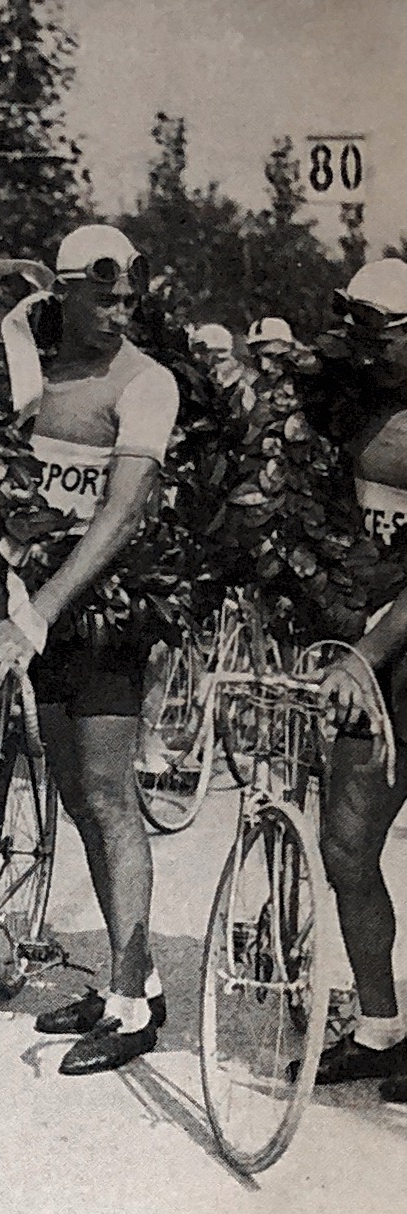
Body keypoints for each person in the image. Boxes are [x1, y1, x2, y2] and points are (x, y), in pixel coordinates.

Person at [0, 225, 179, 1074]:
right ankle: (133, 976)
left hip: (103, 612)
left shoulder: (147, 381)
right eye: (102, 298)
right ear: (63, 292)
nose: (117, 313)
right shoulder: (35, 370)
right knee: (69, 790)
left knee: (106, 795)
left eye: (129, 298)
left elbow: (122, 514)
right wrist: (2, 313)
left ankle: (132, 1010)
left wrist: (43, 613)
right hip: (41, 612)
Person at [307, 259, 407, 1100]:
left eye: (385, 336)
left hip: (383, 648)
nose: (369, 352)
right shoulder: (342, 402)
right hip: (373, 646)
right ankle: (380, 1026)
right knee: (347, 843)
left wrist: (367, 653)